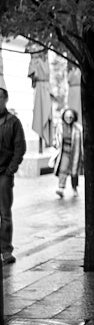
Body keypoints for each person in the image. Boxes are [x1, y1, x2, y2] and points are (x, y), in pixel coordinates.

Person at [0, 80, 26, 264]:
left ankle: (6, 250)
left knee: (5, 213)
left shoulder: (13, 122)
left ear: (6, 99)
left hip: (4, 174)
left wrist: (10, 170)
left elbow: (20, 148)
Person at [53, 108, 83, 197]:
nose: (69, 118)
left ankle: (74, 188)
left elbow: (81, 142)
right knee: (63, 168)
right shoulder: (60, 126)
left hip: (75, 152)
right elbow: (56, 139)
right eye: (67, 116)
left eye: (71, 117)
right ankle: (61, 188)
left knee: (74, 171)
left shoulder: (78, 128)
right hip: (64, 151)